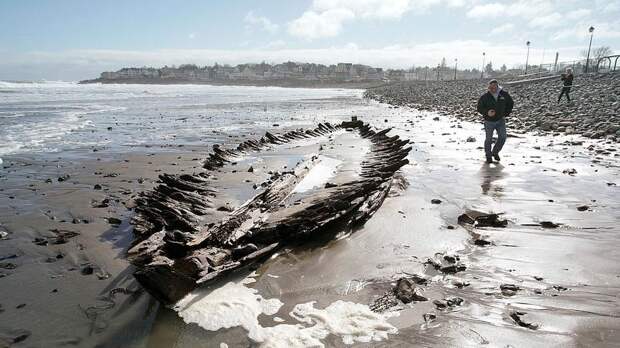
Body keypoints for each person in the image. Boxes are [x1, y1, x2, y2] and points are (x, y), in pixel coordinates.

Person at [477, 79, 514, 163]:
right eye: (491, 87)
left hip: (500, 120)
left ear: (497, 86)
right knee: (488, 139)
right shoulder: (485, 96)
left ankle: (495, 152)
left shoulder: (504, 94)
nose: (493, 89)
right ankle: (488, 156)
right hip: (489, 121)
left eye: (494, 87)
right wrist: (487, 112)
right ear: (489, 87)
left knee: (503, 137)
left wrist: (505, 114)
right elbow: (479, 108)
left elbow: (510, 104)